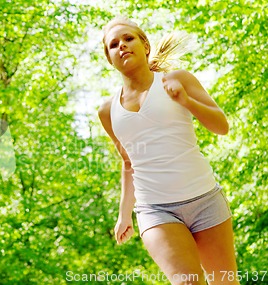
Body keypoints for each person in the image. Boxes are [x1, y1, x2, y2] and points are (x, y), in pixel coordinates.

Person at [97, 16, 239, 285]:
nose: (122, 46)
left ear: (145, 45)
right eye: (114, 45)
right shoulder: (108, 111)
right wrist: (123, 214)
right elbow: (128, 162)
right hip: (155, 209)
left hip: (205, 199)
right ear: (110, 58)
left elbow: (221, 126)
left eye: (128, 39)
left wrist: (186, 101)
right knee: (188, 282)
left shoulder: (176, 80)